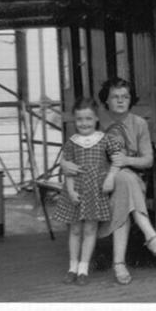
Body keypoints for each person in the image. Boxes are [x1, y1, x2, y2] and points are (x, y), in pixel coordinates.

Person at [61, 77, 156, 286]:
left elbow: (148, 160)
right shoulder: (96, 121)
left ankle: (124, 259)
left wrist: (127, 160)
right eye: (115, 97)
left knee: (124, 179)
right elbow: (74, 149)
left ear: (131, 100)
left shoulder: (139, 124)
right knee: (122, 184)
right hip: (100, 185)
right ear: (106, 100)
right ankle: (139, 245)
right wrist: (64, 165)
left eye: (125, 97)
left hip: (131, 181)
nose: (121, 101)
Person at [53, 98, 122, 285]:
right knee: (75, 230)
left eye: (88, 119)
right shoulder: (72, 142)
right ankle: (72, 267)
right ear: (75, 121)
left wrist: (110, 178)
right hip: (75, 192)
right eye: (80, 119)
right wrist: (70, 191)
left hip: (95, 192)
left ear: (96, 119)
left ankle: (83, 269)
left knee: (90, 229)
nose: (84, 123)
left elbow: (118, 160)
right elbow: (68, 170)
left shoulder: (105, 139)